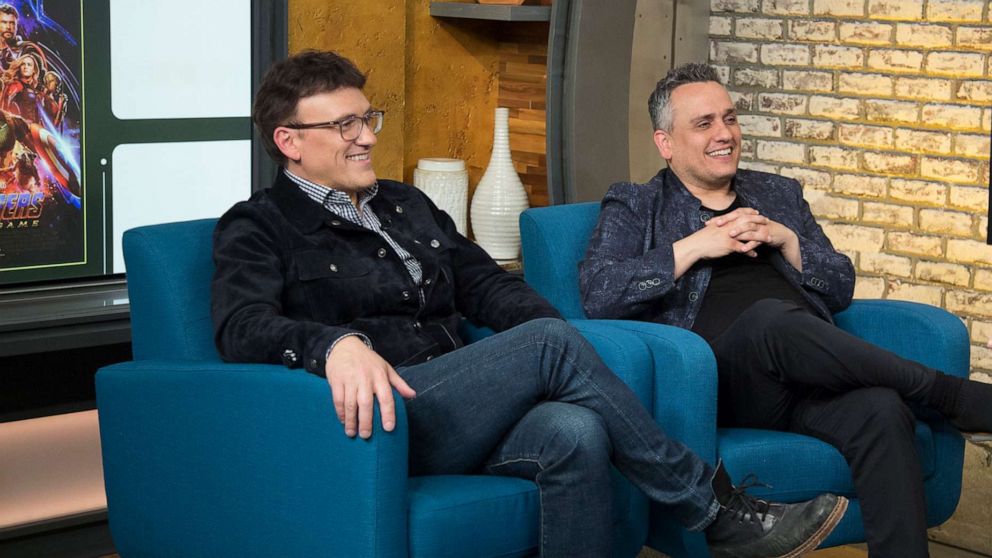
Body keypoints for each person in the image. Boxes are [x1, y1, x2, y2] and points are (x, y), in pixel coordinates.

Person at [211, 50, 847, 558]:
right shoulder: (259, 225)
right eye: (343, 125)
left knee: (576, 430)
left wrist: (562, 349)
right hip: (377, 416)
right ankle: (711, 509)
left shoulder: (406, 205)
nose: (365, 137)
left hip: (458, 402)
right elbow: (241, 326)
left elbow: (490, 286)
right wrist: (333, 345)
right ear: (289, 141)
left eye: (366, 119)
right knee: (550, 344)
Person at [579, 62, 992, 558]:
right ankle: (949, 395)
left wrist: (789, 240)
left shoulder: (777, 194)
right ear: (665, 143)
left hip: (808, 372)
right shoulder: (638, 204)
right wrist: (695, 246)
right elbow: (599, 290)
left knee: (882, 411)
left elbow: (839, 287)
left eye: (729, 118)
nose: (724, 134)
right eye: (704, 123)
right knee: (768, 319)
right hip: (723, 380)